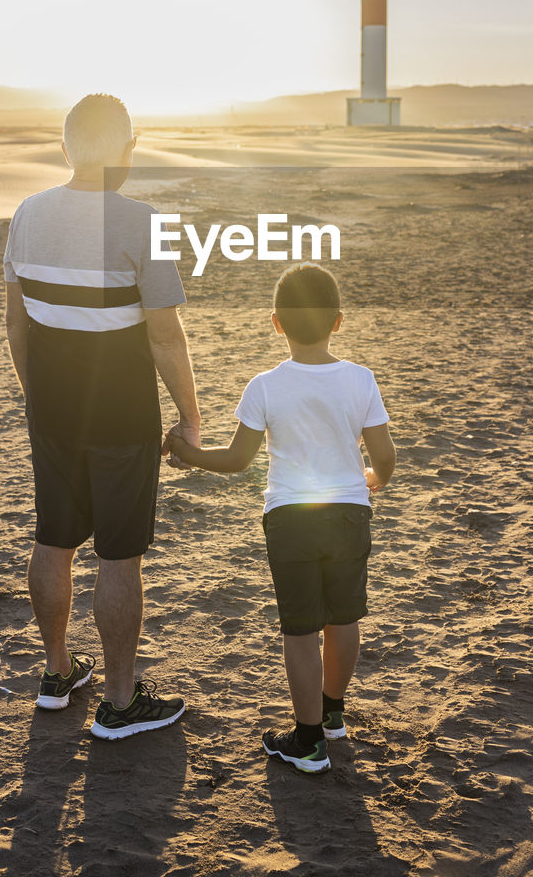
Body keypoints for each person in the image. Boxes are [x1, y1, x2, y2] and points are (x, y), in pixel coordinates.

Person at [4, 93, 199, 739]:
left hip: (52, 412)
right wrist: (189, 417)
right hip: (122, 416)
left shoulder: (27, 215)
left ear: (64, 148)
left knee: (52, 539)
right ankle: (119, 701)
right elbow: (165, 338)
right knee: (120, 556)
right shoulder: (142, 222)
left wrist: (38, 397)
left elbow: (16, 323)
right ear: (128, 149)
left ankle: (57, 672)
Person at [166, 263, 395, 774]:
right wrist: (373, 476)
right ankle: (332, 713)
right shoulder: (361, 379)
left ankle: (309, 740)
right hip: (349, 512)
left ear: (276, 323)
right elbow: (386, 456)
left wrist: (187, 453)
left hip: (291, 517)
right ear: (339, 321)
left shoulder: (264, 386)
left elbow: (237, 460)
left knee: (299, 629)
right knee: (343, 617)